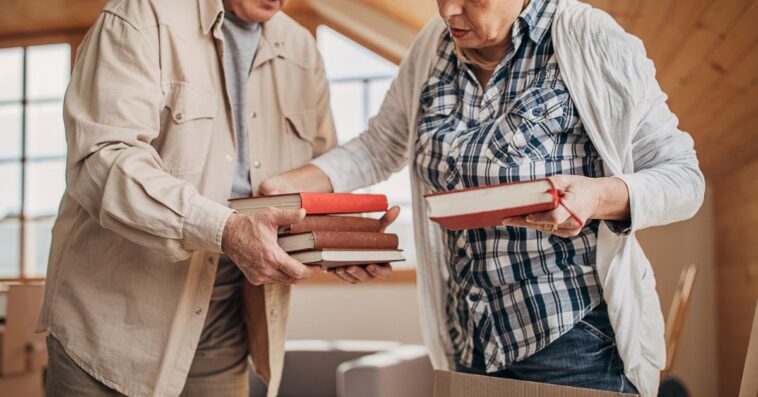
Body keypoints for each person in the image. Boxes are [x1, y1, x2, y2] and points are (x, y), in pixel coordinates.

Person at [259, 0, 705, 396]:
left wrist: (598, 196)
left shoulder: (588, 37)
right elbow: (379, 145)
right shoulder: (430, 49)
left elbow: (684, 179)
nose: (448, 11)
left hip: (576, 344)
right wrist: (293, 184)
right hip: (469, 345)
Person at [35, 0, 383, 396]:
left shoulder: (301, 48)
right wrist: (225, 229)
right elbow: (102, 160)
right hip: (113, 330)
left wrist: (334, 245)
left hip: (225, 330)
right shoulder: (142, 15)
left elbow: (314, 177)